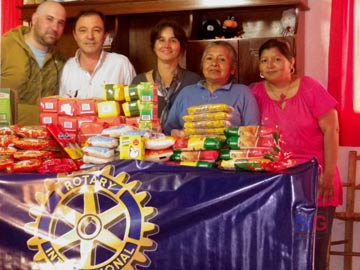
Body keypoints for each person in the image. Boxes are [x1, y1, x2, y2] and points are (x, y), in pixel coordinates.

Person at [251, 39, 342, 270]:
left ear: (291, 62)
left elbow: (332, 129)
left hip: (316, 184)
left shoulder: (310, 88)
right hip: (275, 188)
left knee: (312, 251)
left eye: (277, 59)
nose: (270, 65)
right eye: (264, 60)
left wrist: (329, 173)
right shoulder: (254, 94)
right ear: (260, 68)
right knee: (279, 251)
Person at [164, 40, 260, 136]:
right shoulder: (186, 93)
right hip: (190, 149)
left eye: (222, 59)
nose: (214, 63)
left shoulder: (243, 93)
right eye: (209, 58)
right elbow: (168, 132)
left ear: (232, 69)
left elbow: (253, 134)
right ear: (202, 65)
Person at [1, 0, 67, 125]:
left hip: (45, 140)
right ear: (35, 19)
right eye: (49, 19)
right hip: (6, 140)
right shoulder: (4, 47)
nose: (54, 28)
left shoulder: (61, 61)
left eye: (61, 23)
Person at [131, 20, 202, 130]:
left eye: (173, 40)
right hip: (148, 145)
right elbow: (131, 124)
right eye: (161, 40)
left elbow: (200, 122)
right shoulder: (139, 81)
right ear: (153, 46)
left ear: (181, 47)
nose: (166, 45)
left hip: (183, 145)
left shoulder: (194, 81)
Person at [59, 10, 136, 99]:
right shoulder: (68, 68)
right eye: (83, 30)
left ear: (105, 35)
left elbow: (135, 104)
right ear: (75, 35)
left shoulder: (121, 64)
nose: (90, 36)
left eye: (96, 30)